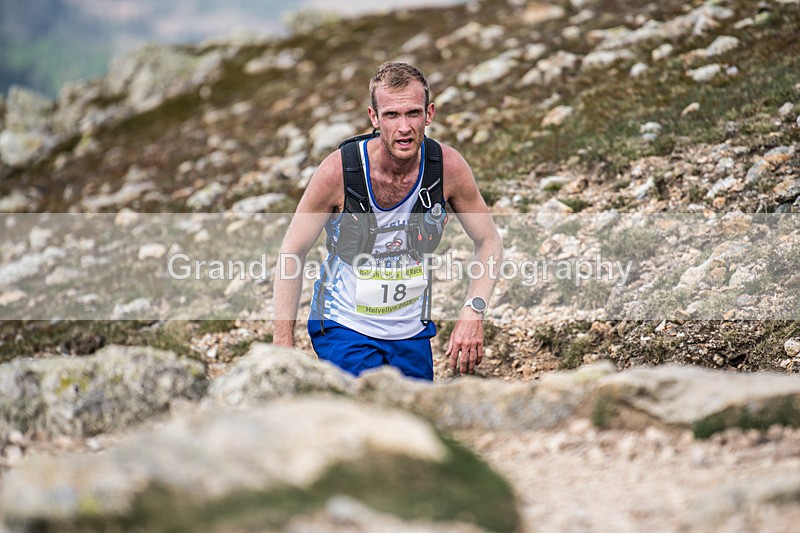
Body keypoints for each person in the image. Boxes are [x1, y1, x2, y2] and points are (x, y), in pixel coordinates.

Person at [273, 61, 502, 380]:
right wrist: (283, 341)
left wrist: (473, 311)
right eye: (392, 115)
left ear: (430, 114)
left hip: (411, 333)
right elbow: (292, 251)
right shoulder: (339, 171)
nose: (404, 127)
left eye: (413, 113)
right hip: (344, 327)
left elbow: (489, 241)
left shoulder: (447, 168)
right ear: (374, 118)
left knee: (414, 422)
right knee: (369, 415)